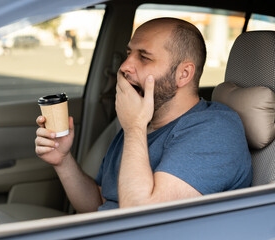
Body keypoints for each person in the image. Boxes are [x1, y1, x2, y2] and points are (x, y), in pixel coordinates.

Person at [35, 17, 252, 212]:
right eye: (129, 54)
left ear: (183, 74)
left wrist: (134, 127)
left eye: (144, 57)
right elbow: (100, 204)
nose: (125, 66)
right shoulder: (140, 126)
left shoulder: (215, 130)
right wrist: (63, 160)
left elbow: (141, 219)